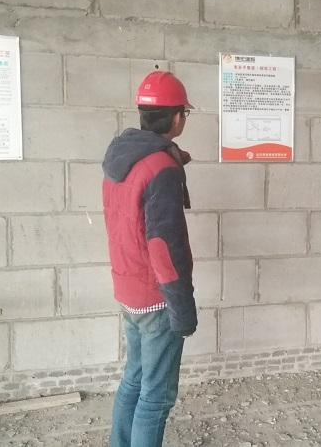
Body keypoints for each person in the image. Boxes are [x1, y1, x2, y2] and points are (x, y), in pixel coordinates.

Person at [102, 71, 197, 447]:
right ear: (176, 117)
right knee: (156, 398)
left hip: (128, 290)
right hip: (157, 297)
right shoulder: (161, 170)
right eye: (184, 113)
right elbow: (163, 247)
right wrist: (183, 310)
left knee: (134, 379)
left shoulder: (121, 158)